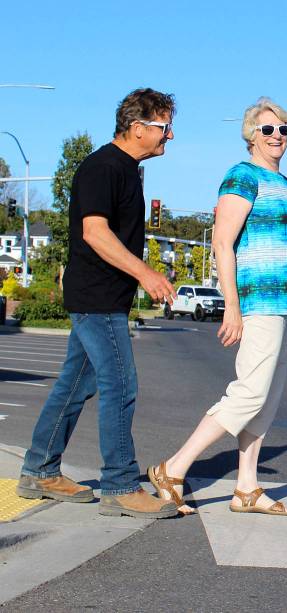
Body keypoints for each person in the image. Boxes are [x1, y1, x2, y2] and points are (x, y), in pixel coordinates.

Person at [148, 97, 287, 516]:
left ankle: (246, 486)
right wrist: (232, 306)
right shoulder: (242, 176)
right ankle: (174, 467)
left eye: (283, 131)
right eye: (268, 130)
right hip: (258, 300)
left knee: (268, 398)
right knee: (248, 393)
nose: (276, 137)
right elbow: (222, 242)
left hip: (286, 303)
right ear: (251, 137)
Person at [16, 88, 179, 519]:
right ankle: (120, 485)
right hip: (98, 299)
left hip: (103, 298)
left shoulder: (126, 170)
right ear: (138, 127)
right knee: (120, 385)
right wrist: (146, 273)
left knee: (76, 384)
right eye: (164, 127)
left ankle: (39, 469)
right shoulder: (103, 167)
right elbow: (94, 232)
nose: (170, 136)